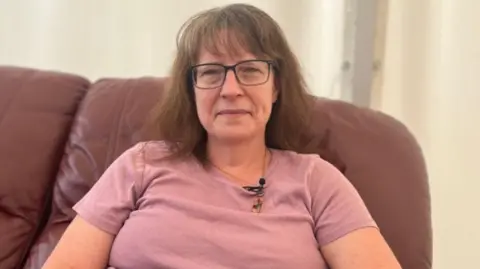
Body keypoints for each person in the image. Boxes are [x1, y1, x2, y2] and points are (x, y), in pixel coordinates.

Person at [43, 3, 401, 269]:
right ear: (192, 89)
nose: (230, 89)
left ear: (276, 86)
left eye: (249, 70)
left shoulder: (316, 181)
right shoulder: (142, 165)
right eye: (212, 73)